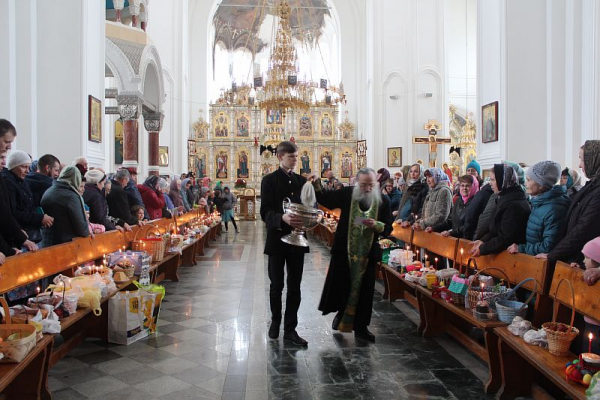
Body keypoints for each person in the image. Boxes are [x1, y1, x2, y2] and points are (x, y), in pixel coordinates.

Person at [310, 167, 392, 342]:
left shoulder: (383, 200)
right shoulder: (348, 194)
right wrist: (317, 183)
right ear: (356, 183)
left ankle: (361, 328)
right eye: (364, 185)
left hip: (368, 254)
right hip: (344, 250)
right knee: (342, 286)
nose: (368, 189)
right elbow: (326, 198)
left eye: (371, 185)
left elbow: (388, 227)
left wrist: (376, 224)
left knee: (366, 292)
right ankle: (341, 314)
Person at [260, 141, 309, 346]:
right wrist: (282, 218)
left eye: (296, 156)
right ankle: (275, 321)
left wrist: (313, 216)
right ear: (280, 157)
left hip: (297, 240)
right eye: (291, 157)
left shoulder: (302, 181)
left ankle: (291, 329)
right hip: (278, 240)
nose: (295, 160)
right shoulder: (269, 180)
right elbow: (265, 212)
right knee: (277, 284)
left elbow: (309, 206)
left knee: (295, 286)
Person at [543, 141, 600, 264]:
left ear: (594, 160)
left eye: (582, 160)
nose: (579, 165)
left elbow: (583, 229)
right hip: (576, 257)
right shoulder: (592, 185)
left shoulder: (598, 191)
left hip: (585, 260)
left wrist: (552, 255)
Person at [506, 161, 570, 256]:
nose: (525, 184)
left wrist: (522, 248)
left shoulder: (554, 208)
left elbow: (548, 246)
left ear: (541, 185)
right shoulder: (540, 202)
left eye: (528, 180)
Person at [470, 164, 531, 257]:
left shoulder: (514, 205)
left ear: (503, 180)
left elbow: (505, 238)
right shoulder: (503, 198)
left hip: (511, 258)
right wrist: (482, 241)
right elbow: (494, 230)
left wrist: (483, 248)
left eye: (493, 180)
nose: (490, 183)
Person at [2, 150, 53, 245]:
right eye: (24, 167)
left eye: (28, 167)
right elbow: (13, 213)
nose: (28, 171)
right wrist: (39, 218)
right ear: (13, 166)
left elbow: (28, 207)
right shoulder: (8, 182)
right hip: (20, 237)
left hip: (30, 234)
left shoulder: (21, 180)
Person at [40, 166, 90, 246]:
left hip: (47, 242)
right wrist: (88, 230)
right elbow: (82, 228)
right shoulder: (71, 196)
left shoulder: (48, 191)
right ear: (76, 179)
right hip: (67, 244)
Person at [438, 174, 480, 239]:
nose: (464, 188)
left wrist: (451, 233)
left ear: (474, 186)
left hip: (467, 240)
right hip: (455, 239)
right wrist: (434, 228)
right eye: (462, 185)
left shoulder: (476, 202)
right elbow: (451, 220)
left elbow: (469, 226)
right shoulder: (458, 200)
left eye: (468, 186)